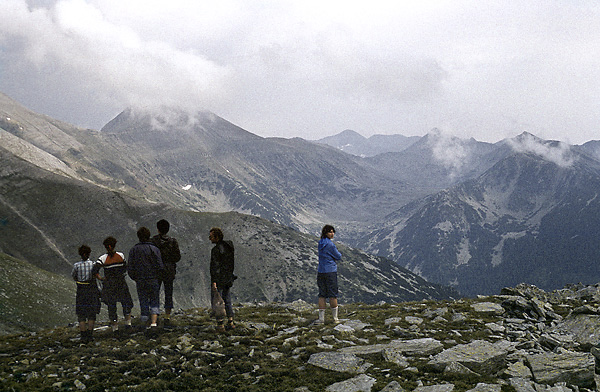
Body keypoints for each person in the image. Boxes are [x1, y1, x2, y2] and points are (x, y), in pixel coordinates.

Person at [93, 237, 134, 332]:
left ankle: (115, 328)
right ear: (113, 245)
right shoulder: (121, 255)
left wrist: (101, 278)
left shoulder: (102, 259)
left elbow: (95, 271)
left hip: (109, 285)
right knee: (126, 303)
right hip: (121, 283)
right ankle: (128, 324)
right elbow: (125, 267)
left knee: (112, 307)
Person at [128, 226, 164, 330]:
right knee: (154, 300)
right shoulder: (154, 249)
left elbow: (130, 267)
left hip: (140, 279)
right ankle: (154, 323)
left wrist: (135, 278)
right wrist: (157, 277)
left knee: (143, 300)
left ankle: (145, 324)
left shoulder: (134, 250)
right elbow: (160, 265)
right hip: (153, 279)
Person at [151, 219, 181, 326]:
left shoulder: (153, 241)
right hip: (169, 270)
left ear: (158, 229)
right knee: (168, 293)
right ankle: (167, 317)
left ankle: (155, 316)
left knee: (155, 293)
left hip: (156, 270)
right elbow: (177, 257)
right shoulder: (173, 241)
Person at [209, 227, 236, 332]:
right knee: (227, 300)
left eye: (211, 236)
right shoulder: (229, 246)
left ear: (216, 237)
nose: (210, 239)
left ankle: (220, 324)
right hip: (228, 277)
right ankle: (230, 321)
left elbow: (215, 267)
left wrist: (214, 281)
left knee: (218, 301)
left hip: (219, 279)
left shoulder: (216, 250)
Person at [72, 245, 101, 343]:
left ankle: (83, 335)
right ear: (89, 253)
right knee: (91, 313)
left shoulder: (76, 265)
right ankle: (90, 334)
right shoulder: (93, 264)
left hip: (81, 290)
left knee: (81, 313)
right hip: (91, 289)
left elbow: (74, 276)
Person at [316, 224, 342, 325]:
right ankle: (335, 319)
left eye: (333, 231)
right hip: (330, 271)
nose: (332, 234)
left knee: (322, 295)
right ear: (326, 233)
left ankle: (321, 319)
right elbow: (338, 256)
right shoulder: (330, 245)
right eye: (330, 232)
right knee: (333, 295)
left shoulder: (320, 243)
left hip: (321, 271)